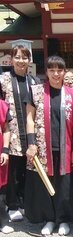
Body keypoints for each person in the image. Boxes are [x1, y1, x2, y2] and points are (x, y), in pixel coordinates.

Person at [25, 56, 73, 236]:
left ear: (65, 71)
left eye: (59, 70)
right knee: (45, 183)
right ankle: (49, 219)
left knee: (64, 184)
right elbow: (30, 119)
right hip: (42, 147)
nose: (56, 74)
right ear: (46, 72)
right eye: (52, 70)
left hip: (65, 147)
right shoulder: (36, 91)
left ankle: (63, 219)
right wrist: (31, 143)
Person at [0, 45, 40, 221]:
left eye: (24, 58)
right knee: (13, 170)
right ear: (11, 59)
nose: (21, 61)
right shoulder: (3, 80)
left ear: (29, 60)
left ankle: (24, 201)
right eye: (17, 57)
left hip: (31, 131)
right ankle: (12, 204)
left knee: (28, 169)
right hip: (12, 131)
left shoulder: (34, 81)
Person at [0, 99, 13, 234]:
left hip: (0, 151)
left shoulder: (2, 105)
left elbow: (6, 129)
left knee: (1, 190)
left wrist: (4, 150)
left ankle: (3, 221)